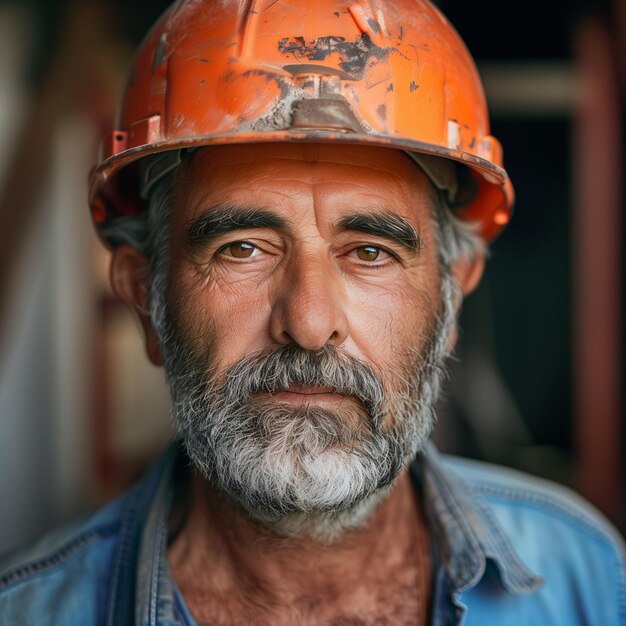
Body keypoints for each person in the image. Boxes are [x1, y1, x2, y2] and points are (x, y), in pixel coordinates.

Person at [1, 0, 624, 624]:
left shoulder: (587, 578)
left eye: (371, 252)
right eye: (242, 248)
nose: (307, 322)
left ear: (453, 291)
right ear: (145, 296)